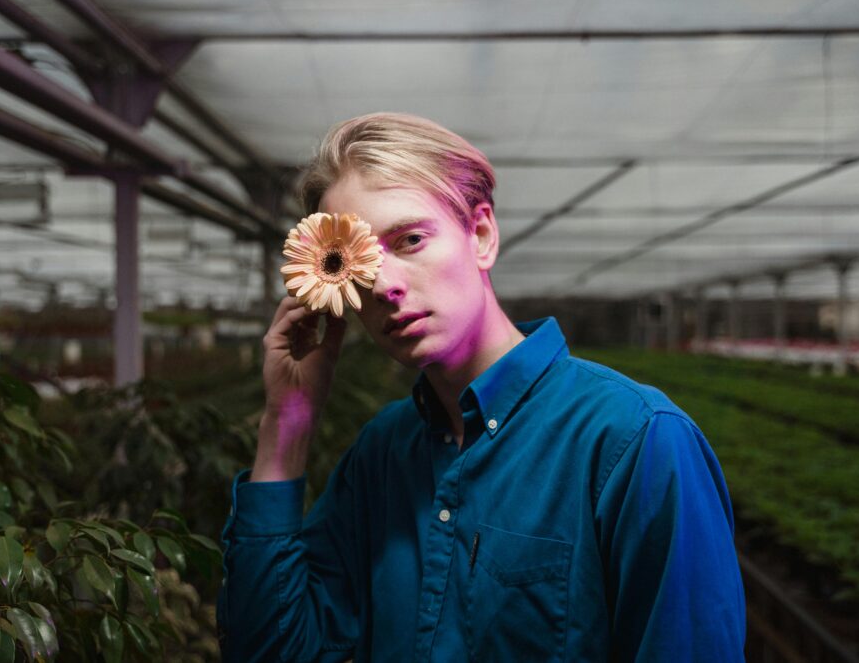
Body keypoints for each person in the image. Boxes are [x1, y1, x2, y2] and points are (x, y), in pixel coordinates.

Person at [217, 112, 746, 662]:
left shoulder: (636, 443)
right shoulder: (383, 455)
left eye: (411, 240)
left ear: (483, 236)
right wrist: (287, 423)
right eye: (356, 265)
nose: (386, 285)